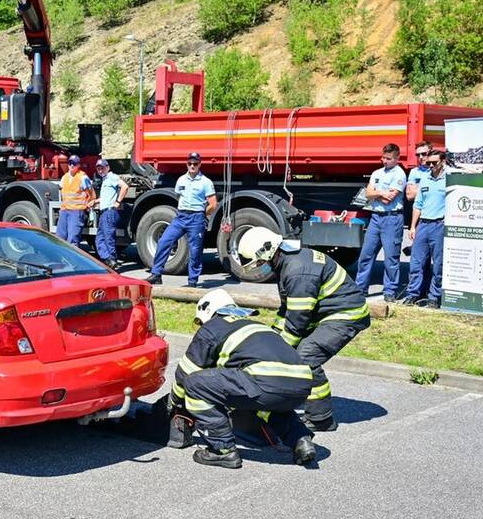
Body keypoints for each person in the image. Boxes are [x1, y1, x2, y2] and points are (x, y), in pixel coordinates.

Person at [237, 226, 370, 432]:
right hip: (325, 313)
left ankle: (321, 419)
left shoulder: (298, 270)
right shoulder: (288, 262)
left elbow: (297, 321)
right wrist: (272, 337)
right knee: (292, 352)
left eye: (260, 263)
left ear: (269, 252)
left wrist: (278, 352)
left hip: (346, 315)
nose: (261, 267)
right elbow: (288, 309)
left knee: (306, 357)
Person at [168, 289, 317, 469]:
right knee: (267, 404)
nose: (200, 325)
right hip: (301, 384)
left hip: (265, 381)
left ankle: (223, 450)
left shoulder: (212, 327)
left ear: (207, 311)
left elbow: (185, 374)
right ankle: (301, 439)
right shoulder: (254, 325)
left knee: (195, 384)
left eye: (199, 321)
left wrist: (173, 403)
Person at [146, 152, 216, 288]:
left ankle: (192, 281)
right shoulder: (181, 180)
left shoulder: (206, 182)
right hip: (181, 217)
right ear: (186, 164)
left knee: (195, 251)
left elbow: (213, 204)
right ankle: (156, 274)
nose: (192, 166)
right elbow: (179, 196)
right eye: (190, 163)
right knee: (164, 241)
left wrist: (202, 214)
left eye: (195, 163)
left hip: (196, 218)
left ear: (200, 164)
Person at [355, 143, 407, 302]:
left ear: (397, 158)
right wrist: (380, 193)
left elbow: (388, 199)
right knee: (366, 255)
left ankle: (390, 291)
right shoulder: (376, 173)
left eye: (388, 158)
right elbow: (367, 193)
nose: (384, 161)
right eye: (383, 157)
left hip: (391, 219)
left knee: (391, 258)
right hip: (375, 218)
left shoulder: (399, 174)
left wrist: (375, 194)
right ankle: (360, 289)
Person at [401, 149, 447, 308]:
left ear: (443, 161)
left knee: (438, 264)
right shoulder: (425, 179)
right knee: (416, 262)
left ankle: (434, 296)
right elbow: (418, 204)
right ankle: (413, 294)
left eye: (435, 163)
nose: (431, 166)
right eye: (428, 163)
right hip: (423, 225)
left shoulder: (448, 180)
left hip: (439, 225)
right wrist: (413, 226)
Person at [94, 158, 128, 267]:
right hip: (104, 212)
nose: (100, 171)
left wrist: (118, 202)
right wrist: (95, 201)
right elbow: (106, 197)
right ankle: (108, 259)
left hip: (109, 212)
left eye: (102, 168)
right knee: (99, 239)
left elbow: (124, 186)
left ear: (108, 168)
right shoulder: (105, 179)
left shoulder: (112, 177)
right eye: (98, 169)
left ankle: (112, 260)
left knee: (108, 238)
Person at [55, 155, 94, 247]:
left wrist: (89, 205)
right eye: (70, 163)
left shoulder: (83, 177)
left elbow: (91, 194)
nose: (72, 165)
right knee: (60, 238)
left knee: (72, 239)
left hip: (76, 212)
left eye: (74, 163)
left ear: (78, 165)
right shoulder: (64, 177)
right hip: (64, 210)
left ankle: (71, 256)